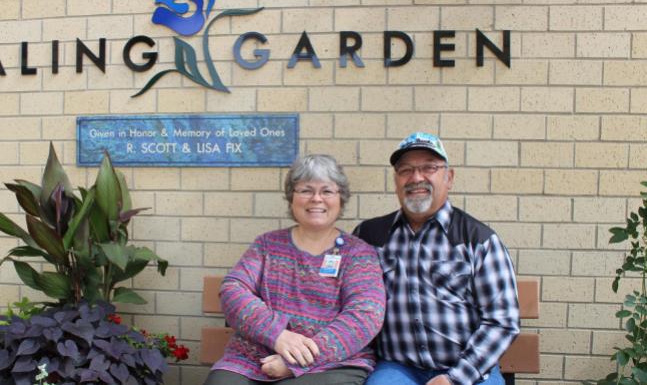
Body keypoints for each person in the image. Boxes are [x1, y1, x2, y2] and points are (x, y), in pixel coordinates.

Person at [204, 154, 386, 385]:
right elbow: (233, 290)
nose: (316, 199)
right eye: (306, 190)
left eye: (327, 191)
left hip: (332, 364)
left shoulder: (358, 254)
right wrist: (277, 335)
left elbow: (365, 315)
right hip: (254, 359)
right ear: (292, 198)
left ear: (341, 199)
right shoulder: (267, 245)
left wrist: (297, 360)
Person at [354, 132, 520, 385]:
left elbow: (502, 320)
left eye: (429, 167)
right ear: (396, 180)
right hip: (397, 367)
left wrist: (456, 378)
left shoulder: (478, 240)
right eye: (405, 170)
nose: (416, 177)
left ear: (449, 177)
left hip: (469, 369)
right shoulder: (370, 236)